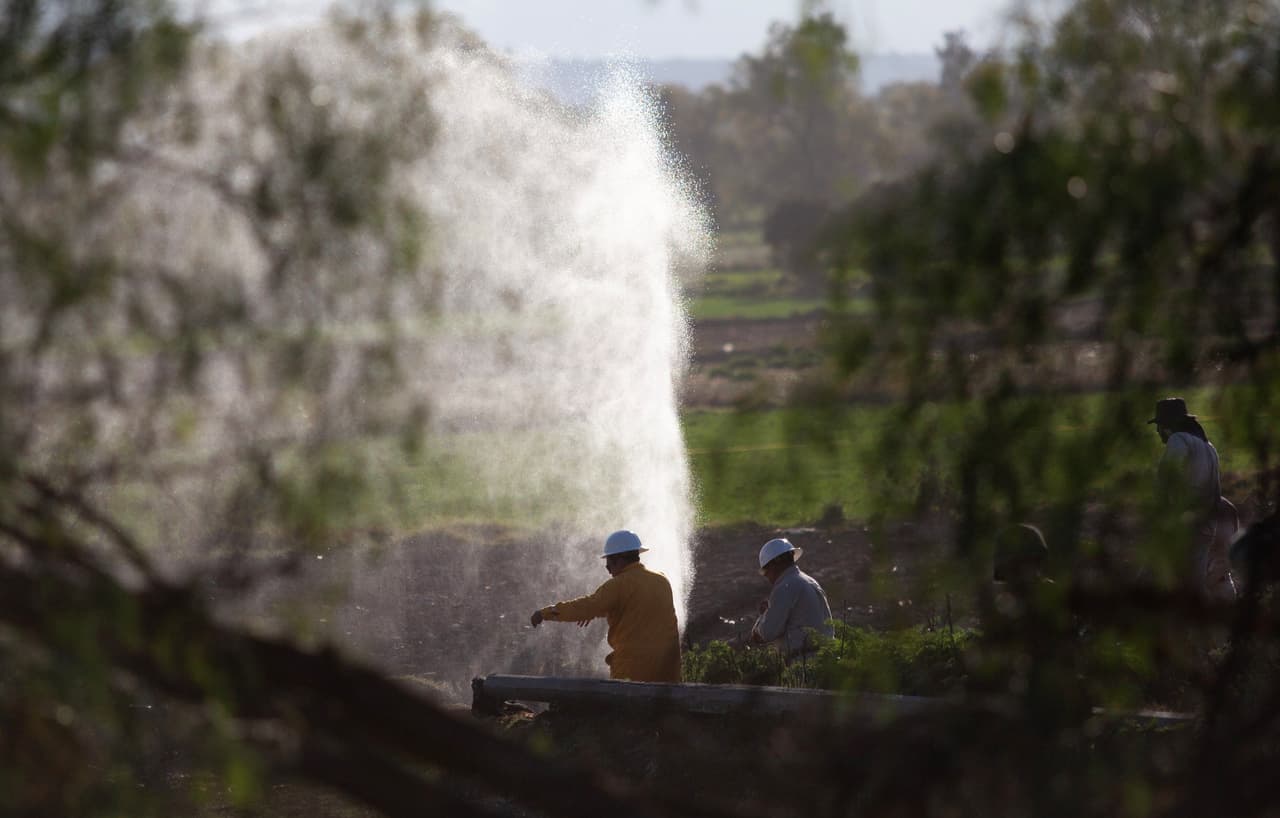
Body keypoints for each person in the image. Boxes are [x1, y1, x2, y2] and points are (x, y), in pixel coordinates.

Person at [530, 530, 682, 683]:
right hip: (669, 674)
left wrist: (546, 613)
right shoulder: (662, 580)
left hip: (633, 674)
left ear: (619, 559)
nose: (607, 568)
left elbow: (586, 606)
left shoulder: (618, 585)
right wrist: (597, 611)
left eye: (608, 561)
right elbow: (634, 607)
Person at [1149, 397, 1225, 594]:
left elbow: (1168, 476)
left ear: (1167, 425)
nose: (1157, 431)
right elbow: (1217, 491)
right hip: (1207, 524)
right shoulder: (1209, 447)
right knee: (1198, 583)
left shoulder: (1178, 440)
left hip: (1184, 525)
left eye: (1159, 425)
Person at [750, 538, 833, 661]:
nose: (766, 576)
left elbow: (765, 634)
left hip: (804, 663)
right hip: (826, 658)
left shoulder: (785, 587)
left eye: (765, 571)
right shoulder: (810, 581)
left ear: (774, 564)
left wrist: (764, 616)